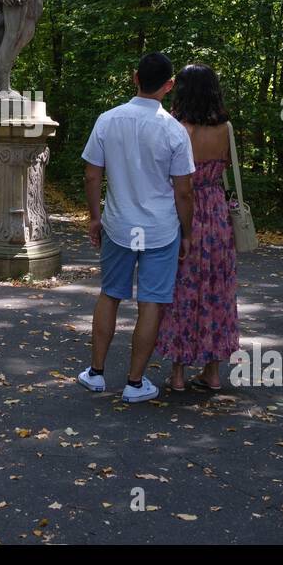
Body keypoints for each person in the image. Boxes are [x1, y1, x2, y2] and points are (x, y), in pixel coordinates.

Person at [77, 52, 195, 403]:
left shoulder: (108, 120)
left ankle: (96, 373)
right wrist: (187, 233)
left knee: (110, 294)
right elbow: (184, 191)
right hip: (160, 229)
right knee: (151, 303)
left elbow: (91, 174)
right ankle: (134, 382)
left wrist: (95, 217)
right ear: (169, 85)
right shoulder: (174, 131)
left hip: (118, 224)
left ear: (135, 77)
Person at [155, 64, 240, 393]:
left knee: (183, 292)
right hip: (217, 215)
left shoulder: (180, 128)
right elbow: (226, 169)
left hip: (186, 213)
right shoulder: (227, 129)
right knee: (218, 290)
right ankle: (213, 371)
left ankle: (177, 373)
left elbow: (180, 183)